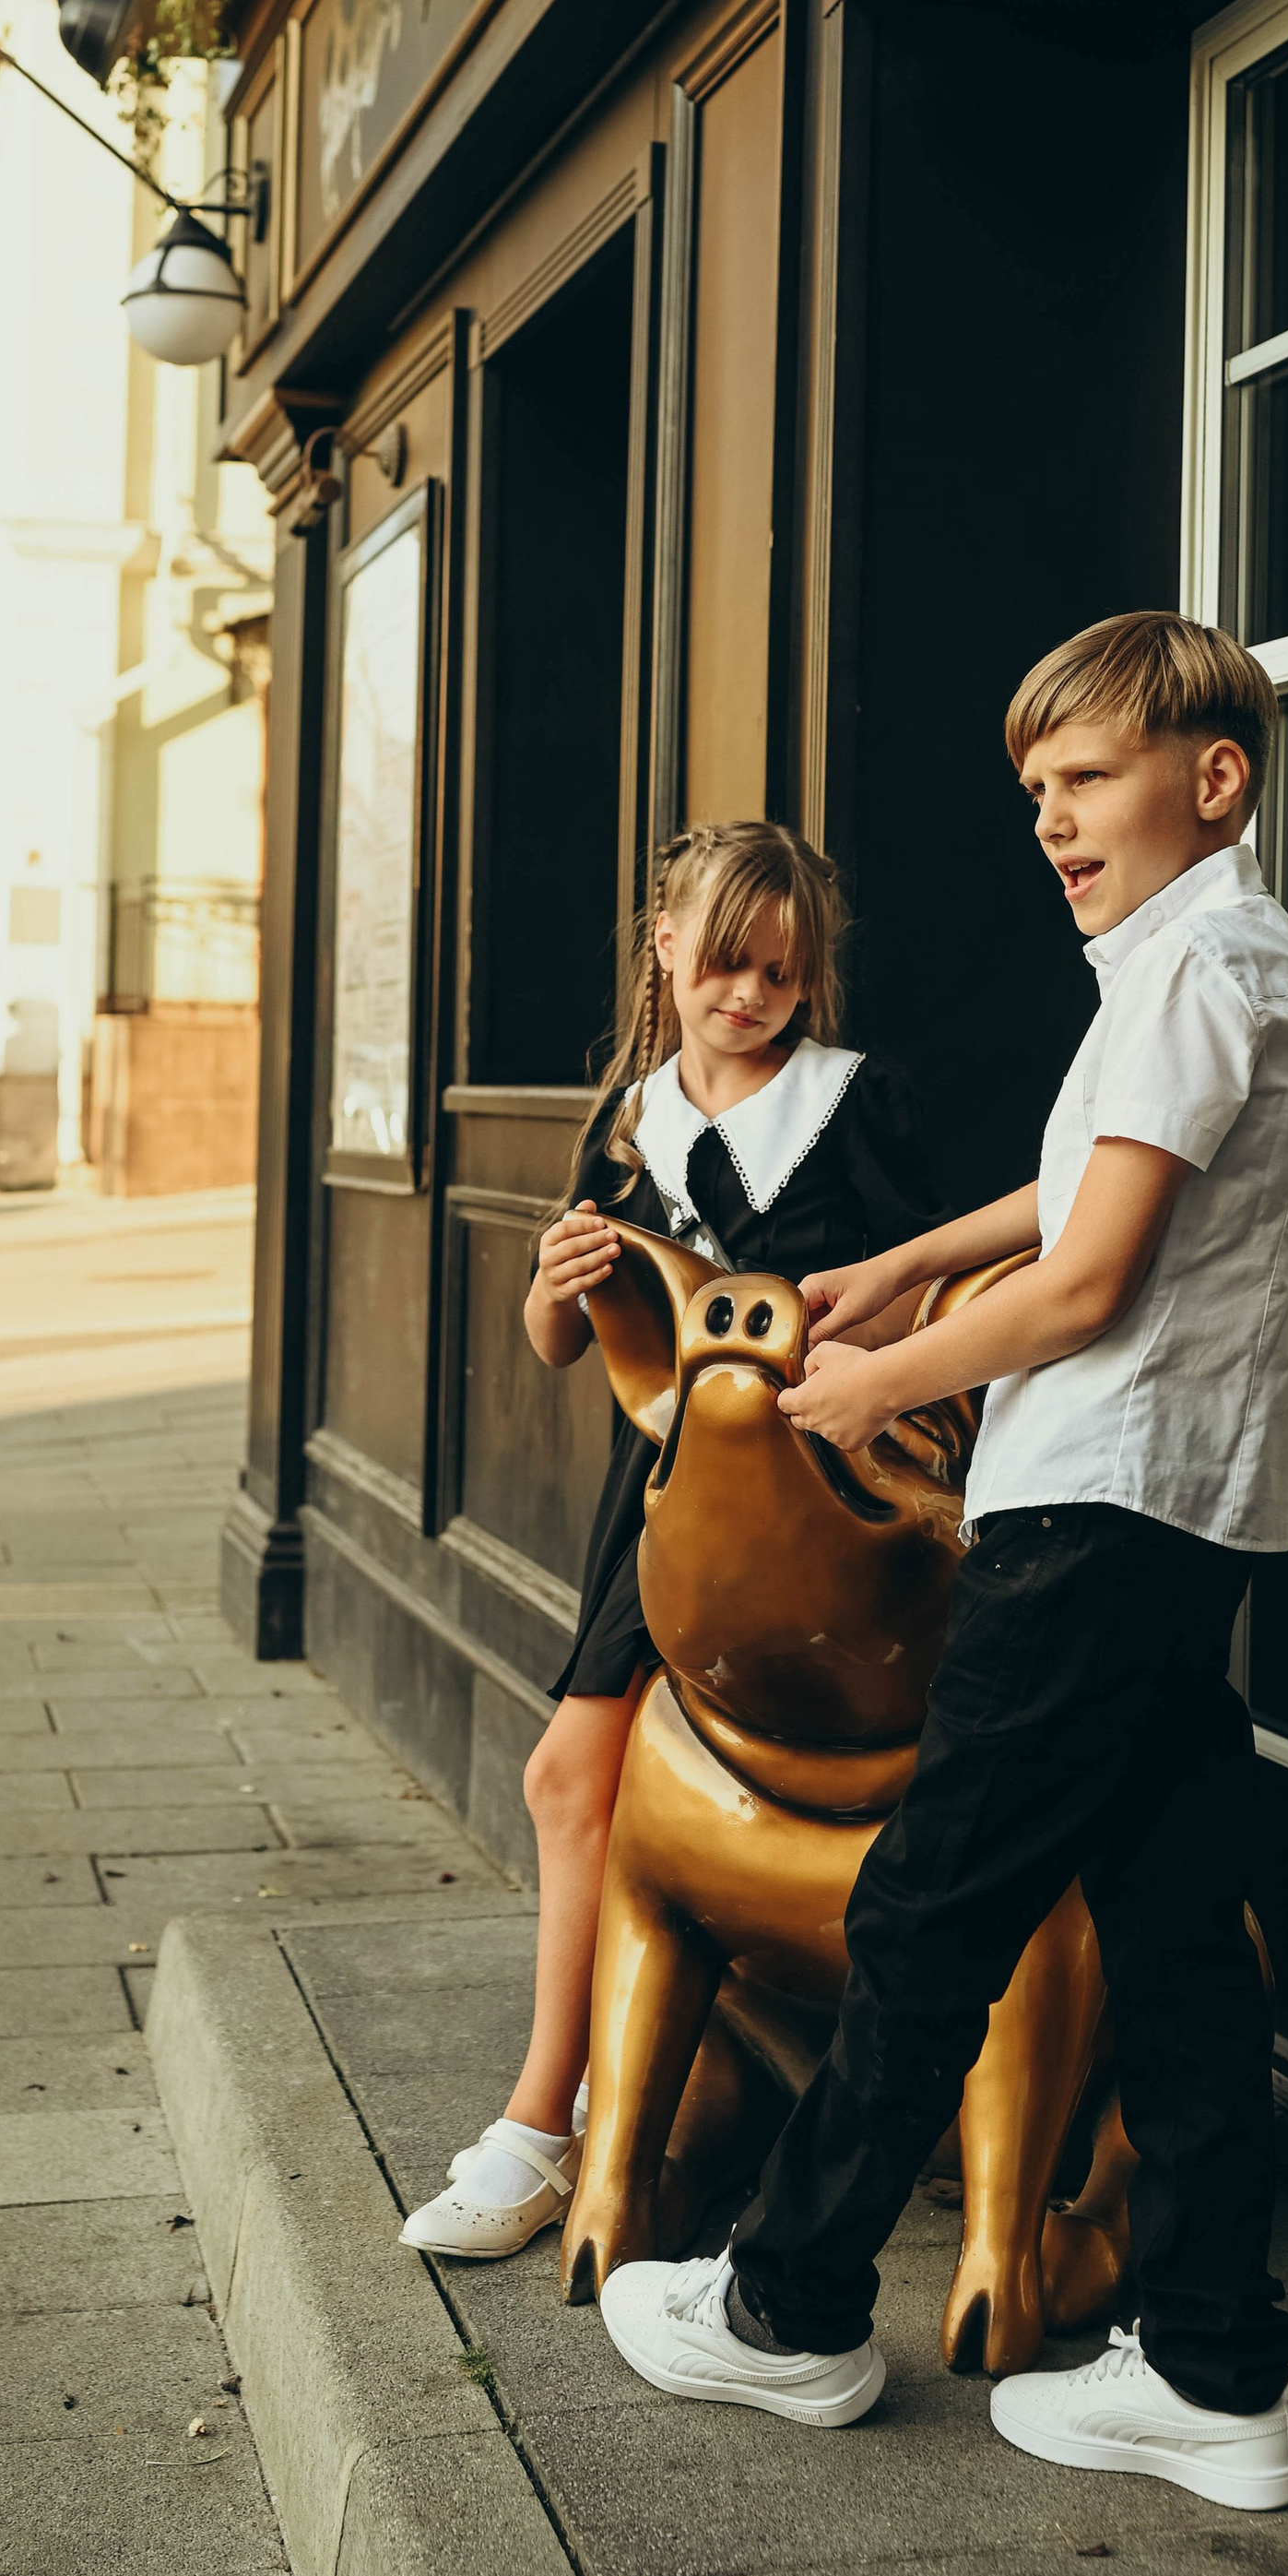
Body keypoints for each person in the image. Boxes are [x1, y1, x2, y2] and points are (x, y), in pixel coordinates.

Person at [599, 612, 1288, 2518]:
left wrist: (870, 1386)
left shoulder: (1183, 973)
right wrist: (917, 1255)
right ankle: (1211, 2368)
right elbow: (1082, 1185)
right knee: (1176, 1939)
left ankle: (787, 2305)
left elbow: (1088, 1280)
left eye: (1084, 780)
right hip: (1180, 1512)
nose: (1051, 821)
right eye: (1035, 792)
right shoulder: (1205, 958)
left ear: (1213, 778)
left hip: (1092, 1510)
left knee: (928, 1907)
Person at [397, 822, 943, 2262]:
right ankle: (550, 2120)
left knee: (636, 1780)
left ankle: (566, 2120)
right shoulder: (628, 1119)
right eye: (721, 963)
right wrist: (553, 1279)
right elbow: (558, 1341)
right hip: (656, 1498)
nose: (747, 994)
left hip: (813, 1510)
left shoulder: (854, 1101)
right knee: (570, 1767)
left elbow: (925, 1297)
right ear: (664, 951)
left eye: (778, 971)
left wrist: (804, 1329)